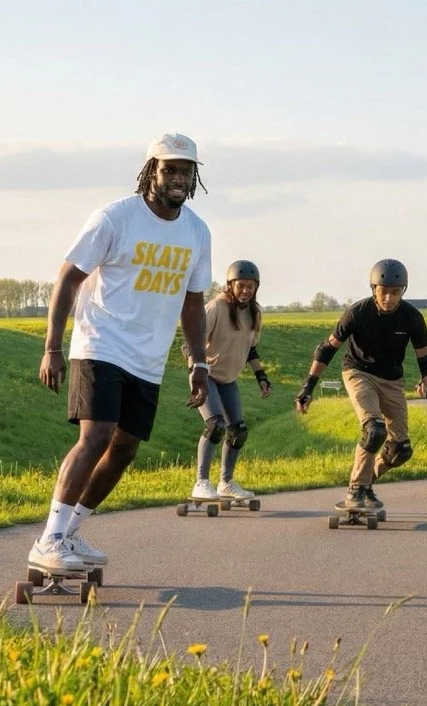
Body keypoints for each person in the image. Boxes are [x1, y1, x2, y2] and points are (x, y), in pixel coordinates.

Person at [31, 132, 212, 572]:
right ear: (151, 171)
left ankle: (70, 533)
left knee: (126, 448)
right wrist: (52, 346)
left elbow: (192, 302)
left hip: (147, 359)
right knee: (96, 436)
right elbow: (68, 279)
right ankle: (49, 538)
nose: (178, 178)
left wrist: (199, 360)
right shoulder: (114, 218)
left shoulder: (196, 231)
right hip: (100, 344)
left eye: (186, 171)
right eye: (169, 169)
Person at [294, 259, 427, 509]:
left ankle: (365, 484)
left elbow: (426, 361)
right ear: (374, 289)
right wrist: (308, 387)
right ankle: (356, 489)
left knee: (400, 450)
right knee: (374, 430)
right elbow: (327, 348)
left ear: (403, 291)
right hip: (358, 372)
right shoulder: (358, 312)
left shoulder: (412, 318)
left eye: (395, 293)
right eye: (384, 292)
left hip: (392, 380)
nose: (389, 298)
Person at [189, 260, 273, 502]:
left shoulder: (255, 313)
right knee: (216, 426)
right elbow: (193, 343)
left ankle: (226, 483)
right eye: (241, 286)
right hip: (206, 375)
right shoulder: (216, 307)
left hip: (228, 379)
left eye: (251, 287)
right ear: (230, 285)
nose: (246, 291)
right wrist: (197, 377)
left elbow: (251, 350)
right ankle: (202, 482)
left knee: (238, 431)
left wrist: (261, 377)